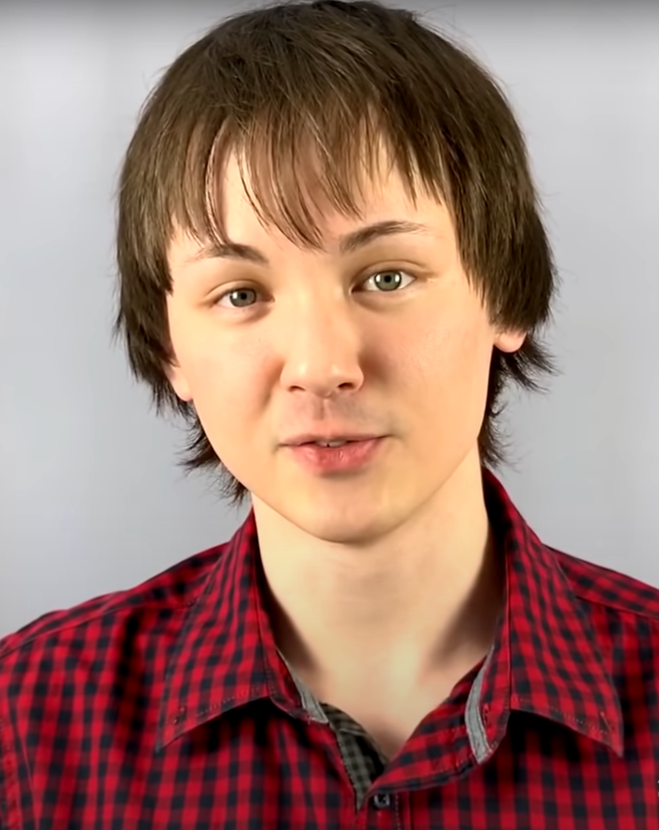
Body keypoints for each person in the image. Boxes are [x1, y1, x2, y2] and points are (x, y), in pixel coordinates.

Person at [1, 1, 658, 827]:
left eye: (386, 277)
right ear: (170, 350)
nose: (320, 368)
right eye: (240, 293)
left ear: (505, 294)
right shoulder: (27, 724)